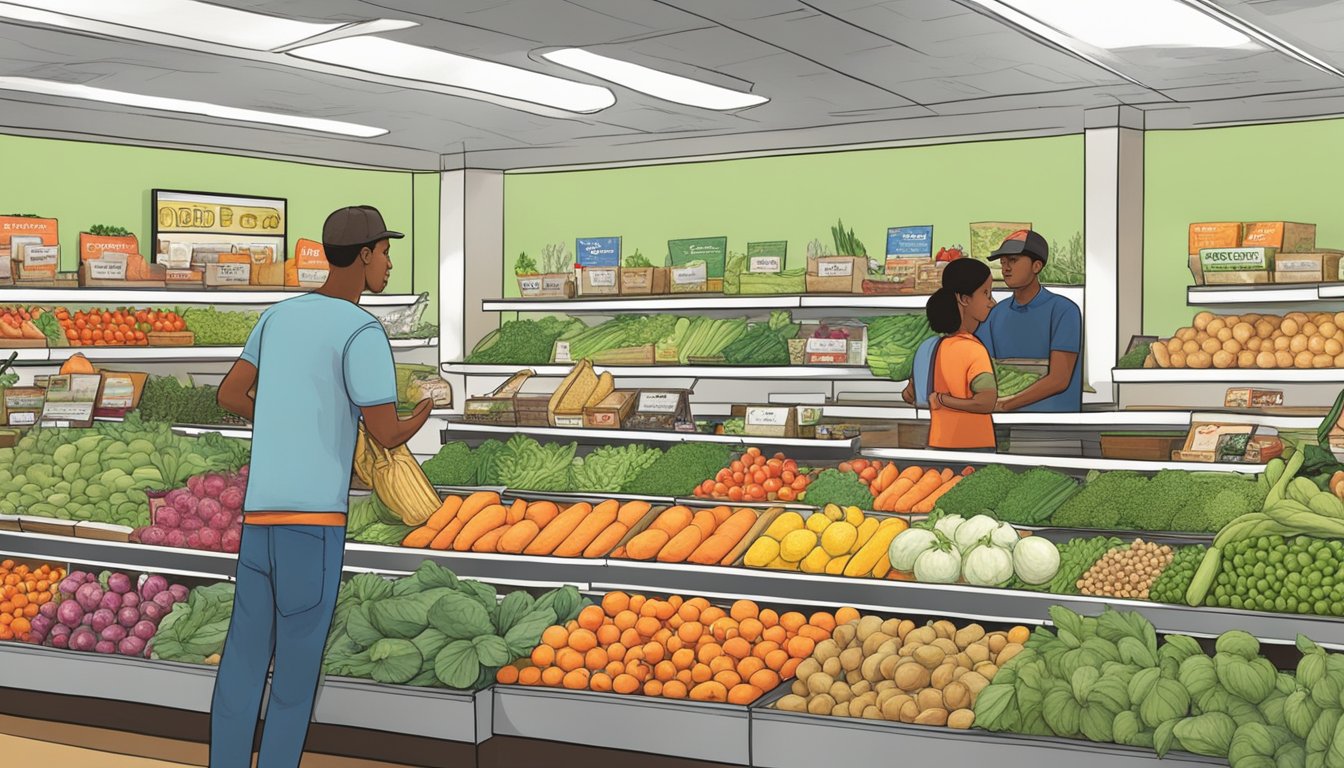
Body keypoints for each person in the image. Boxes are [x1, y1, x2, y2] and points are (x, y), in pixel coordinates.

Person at [209, 206, 432, 768]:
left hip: (260, 520)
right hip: (313, 524)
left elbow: (231, 396)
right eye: (385, 252)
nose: (388, 262)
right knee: (297, 667)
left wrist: (288, 422)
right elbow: (384, 432)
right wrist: (423, 414)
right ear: (362, 255)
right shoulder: (361, 330)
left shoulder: (277, 317)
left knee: (243, 657)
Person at [977, 229, 1082, 412]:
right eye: (1003, 262)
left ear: (1037, 266)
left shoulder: (1064, 311)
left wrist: (1005, 405)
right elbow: (979, 368)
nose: (1006, 268)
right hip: (1002, 424)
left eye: (1013, 260)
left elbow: (1059, 380)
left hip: (1055, 425)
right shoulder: (995, 314)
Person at [903, 258, 998, 451]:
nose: (992, 302)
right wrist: (942, 400)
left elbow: (909, 395)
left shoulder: (929, 347)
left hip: (938, 443)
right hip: (975, 445)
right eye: (986, 293)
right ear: (964, 299)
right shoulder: (974, 350)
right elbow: (986, 402)